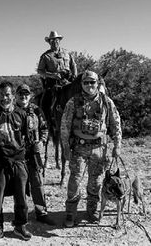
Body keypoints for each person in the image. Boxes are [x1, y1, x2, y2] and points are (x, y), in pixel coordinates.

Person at [60, 69, 121, 227]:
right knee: (74, 181)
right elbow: (65, 126)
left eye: (92, 82)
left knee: (96, 182)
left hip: (99, 148)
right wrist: (65, 147)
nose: (89, 85)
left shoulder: (106, 102)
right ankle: (70, 213)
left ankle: (92, 210)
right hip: (79, 148)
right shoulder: (73, 102)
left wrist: (117, 144)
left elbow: (116, 123)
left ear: (98, 83)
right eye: (85, 82)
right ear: (81, 84)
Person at [0, 82, 33, 244]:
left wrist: (22, 156)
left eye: (7, 95)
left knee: (21, 198)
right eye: (1, 95)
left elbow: (26, 138)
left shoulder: (22, 114)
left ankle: (20, 226)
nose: (4, 98)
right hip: (0, 162)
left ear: (13, 96)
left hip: (18, 161)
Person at [17, 85, 55, 225]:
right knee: (20, 185)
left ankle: (41, 212)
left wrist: (42, 142)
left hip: (34, 152)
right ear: (16, 96)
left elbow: (45, 128)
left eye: (26, 94)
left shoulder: (37, 110)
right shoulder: (11, 111)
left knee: (38, 182)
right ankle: (21, 214)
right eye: (20, 94)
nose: (23, 96)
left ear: (30, 95)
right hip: (18, 154)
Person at [37, 31, 78, 120]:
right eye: (52, 40)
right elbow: (40, 71)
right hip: (53, 83)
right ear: (49, 42)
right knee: (45, 101)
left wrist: (75, 76)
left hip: (68, 81)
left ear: (59, 40)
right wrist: (52, 75)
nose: (54, 42)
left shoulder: (67, 53)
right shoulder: (45, 56)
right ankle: (48, 122)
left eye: (56, 40)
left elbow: (73, 65)